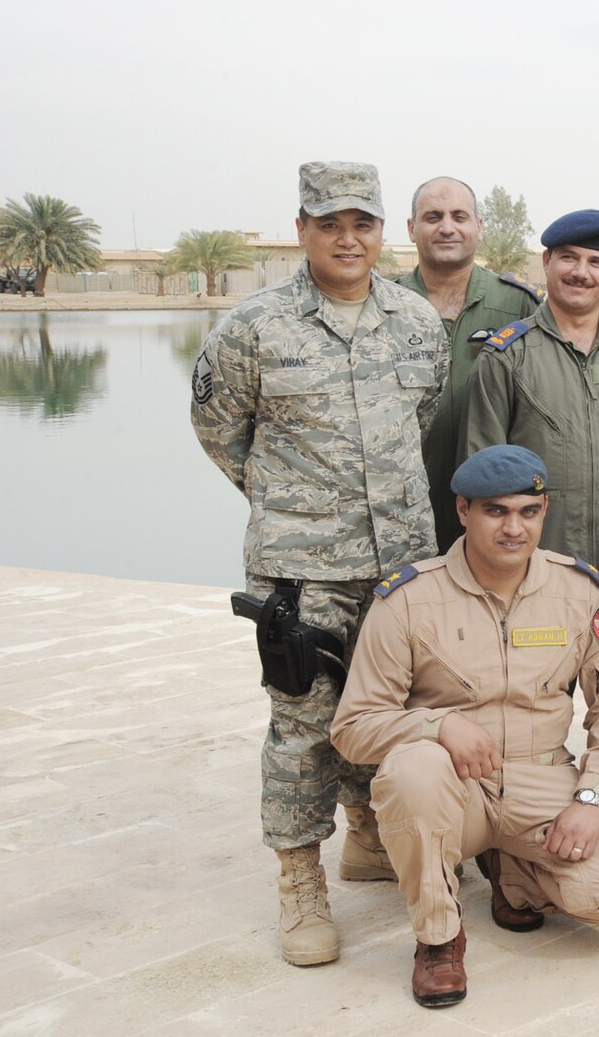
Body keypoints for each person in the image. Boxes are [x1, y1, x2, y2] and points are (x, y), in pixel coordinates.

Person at [190, 160, 447, 965]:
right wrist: (290, 504)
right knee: (302, 725)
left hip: (402, 568)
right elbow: (218, 432)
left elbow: (423, 413)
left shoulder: (416, 323)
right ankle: (300, 880)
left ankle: (370, 837)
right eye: (329, 222)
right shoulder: (252, 328)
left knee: (397, 715)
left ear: (381, 233)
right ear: (301, 229)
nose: (347, 237)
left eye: (361, 223)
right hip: (300, 572)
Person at [330, 445, 599, 1006]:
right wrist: (436, 727)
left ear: (544, 511)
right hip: (455, 785)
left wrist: (593, 797)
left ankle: (513, 872)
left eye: (529, 512)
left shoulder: (580, 593)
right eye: (496, 512)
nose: (515, 528)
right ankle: (438, 938)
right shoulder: (408, 600)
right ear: (462, 510)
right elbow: (354, 725)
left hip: (542, 775)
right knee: (415, 771)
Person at [462, 209, 599, 637]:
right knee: (539, 684)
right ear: (547, 262)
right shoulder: (507, 357)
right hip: (538, 561)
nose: (581, 272)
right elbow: (481, 472)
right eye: (569, 258)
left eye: (595, 262)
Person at [394, 176, 540, 551]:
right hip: (399, 509)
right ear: (412, 229)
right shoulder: (384, 306)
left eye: (459, 216)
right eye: (432, 217)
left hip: (494, 509)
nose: (447, 227)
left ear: (479, 227)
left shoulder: (520, 307)